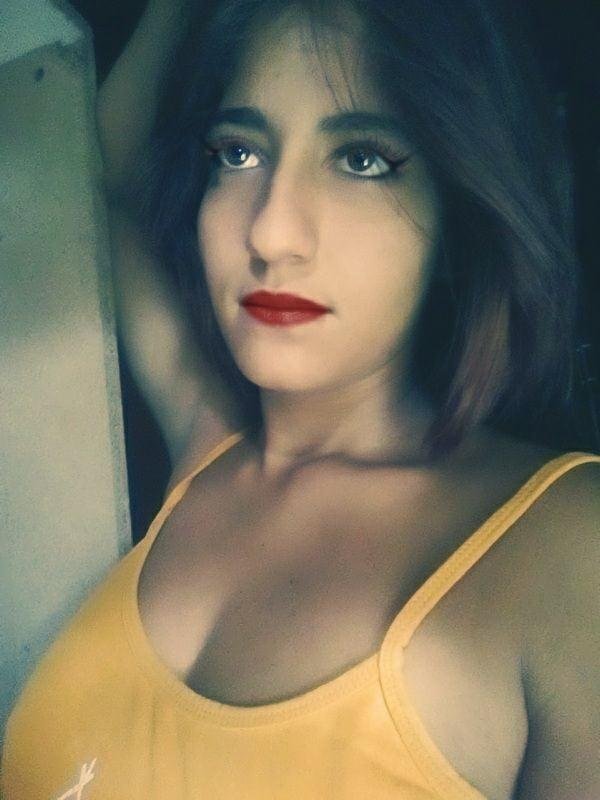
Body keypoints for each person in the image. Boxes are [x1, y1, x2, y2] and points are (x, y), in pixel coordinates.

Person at [2, 0, 599, 798]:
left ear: (457, 205)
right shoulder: (207, 446)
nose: (271, 232)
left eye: (361, 160)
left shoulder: (567, 549)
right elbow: (104, 176)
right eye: (239, 153)